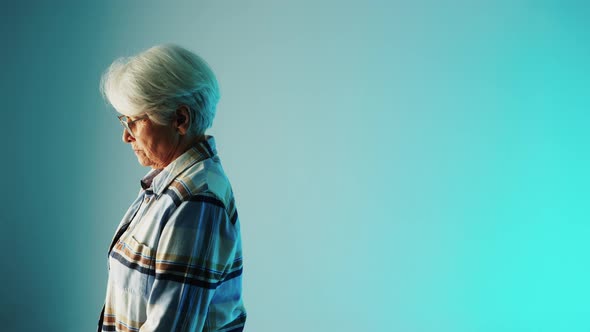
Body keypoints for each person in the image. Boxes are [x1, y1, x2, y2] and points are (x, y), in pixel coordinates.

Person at [97, 44, 246, 331]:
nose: (125, 137)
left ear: (180, 119)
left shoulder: (197, 199)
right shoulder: (169, 185)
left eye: (134, 122)